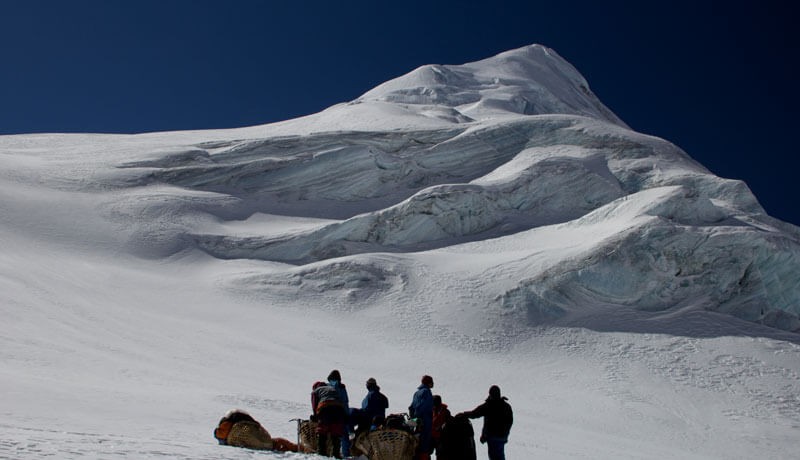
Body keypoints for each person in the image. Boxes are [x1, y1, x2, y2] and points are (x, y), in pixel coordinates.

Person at [459, 385, 513, 460]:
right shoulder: (506, 406)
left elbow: (475, 413)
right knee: (499, 455)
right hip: (502, 437)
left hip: (492, 436)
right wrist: (506, 432)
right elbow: (510, 421)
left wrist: (464, 414)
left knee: (495, 456)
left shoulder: (489, 405)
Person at [311, 380, 347, 458]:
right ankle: (336, 455)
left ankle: (322, 454)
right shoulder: (332, 388)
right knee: (336, 432)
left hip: (324, 407)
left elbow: (314, 405)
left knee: (322, 431)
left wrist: (315, 416)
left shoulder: (315, 391)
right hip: (338, 409)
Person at [409, 375, 434, 460]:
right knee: (424, 444)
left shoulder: (416, 393)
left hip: (415, 421)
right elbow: (423, 406)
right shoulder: (426, 392)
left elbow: (411, 407)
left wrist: (413, 420)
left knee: (416, 443)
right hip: (425, 420)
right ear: (429, 383)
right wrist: (420, 418)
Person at [326, 370, 351, 457]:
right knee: (344, 434)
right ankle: (345, 455)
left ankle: (329, 453)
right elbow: (345, 402)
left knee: (329, 434)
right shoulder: (341, 387)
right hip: (341, 413)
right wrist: (347, 415)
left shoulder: (326, 386)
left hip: (327, 413)